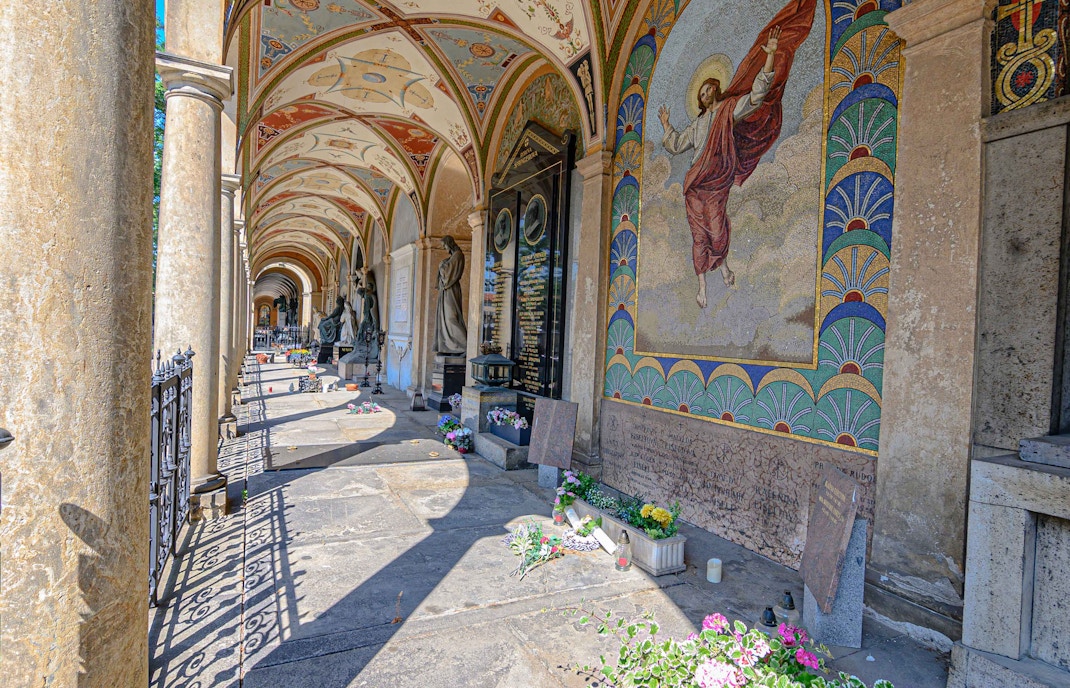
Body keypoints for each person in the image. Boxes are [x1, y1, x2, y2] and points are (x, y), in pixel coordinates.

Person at [658, 0, 815, 308]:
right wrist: (665, 126)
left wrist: (769, 57)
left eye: (708, 89)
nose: (704, 94)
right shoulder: (699, 123)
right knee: (698, 236)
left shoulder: (729, 109)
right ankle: (702, 287)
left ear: (716, 88)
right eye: (701, 93)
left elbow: (756, 97)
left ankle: (724, 266)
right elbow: (676, 144)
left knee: (717, 231)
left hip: (717, 181)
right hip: (695, 183)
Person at [432, 236, 468, 354]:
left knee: (451, 317)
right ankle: (449, 347)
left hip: (451, 290)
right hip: (446, 291)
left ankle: (464, 346)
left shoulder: (458, 255)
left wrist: (441, 265)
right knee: (445, 319)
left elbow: (447, 274)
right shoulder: (453, 256)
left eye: (445, 245)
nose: (445, 248)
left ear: (449, 243)